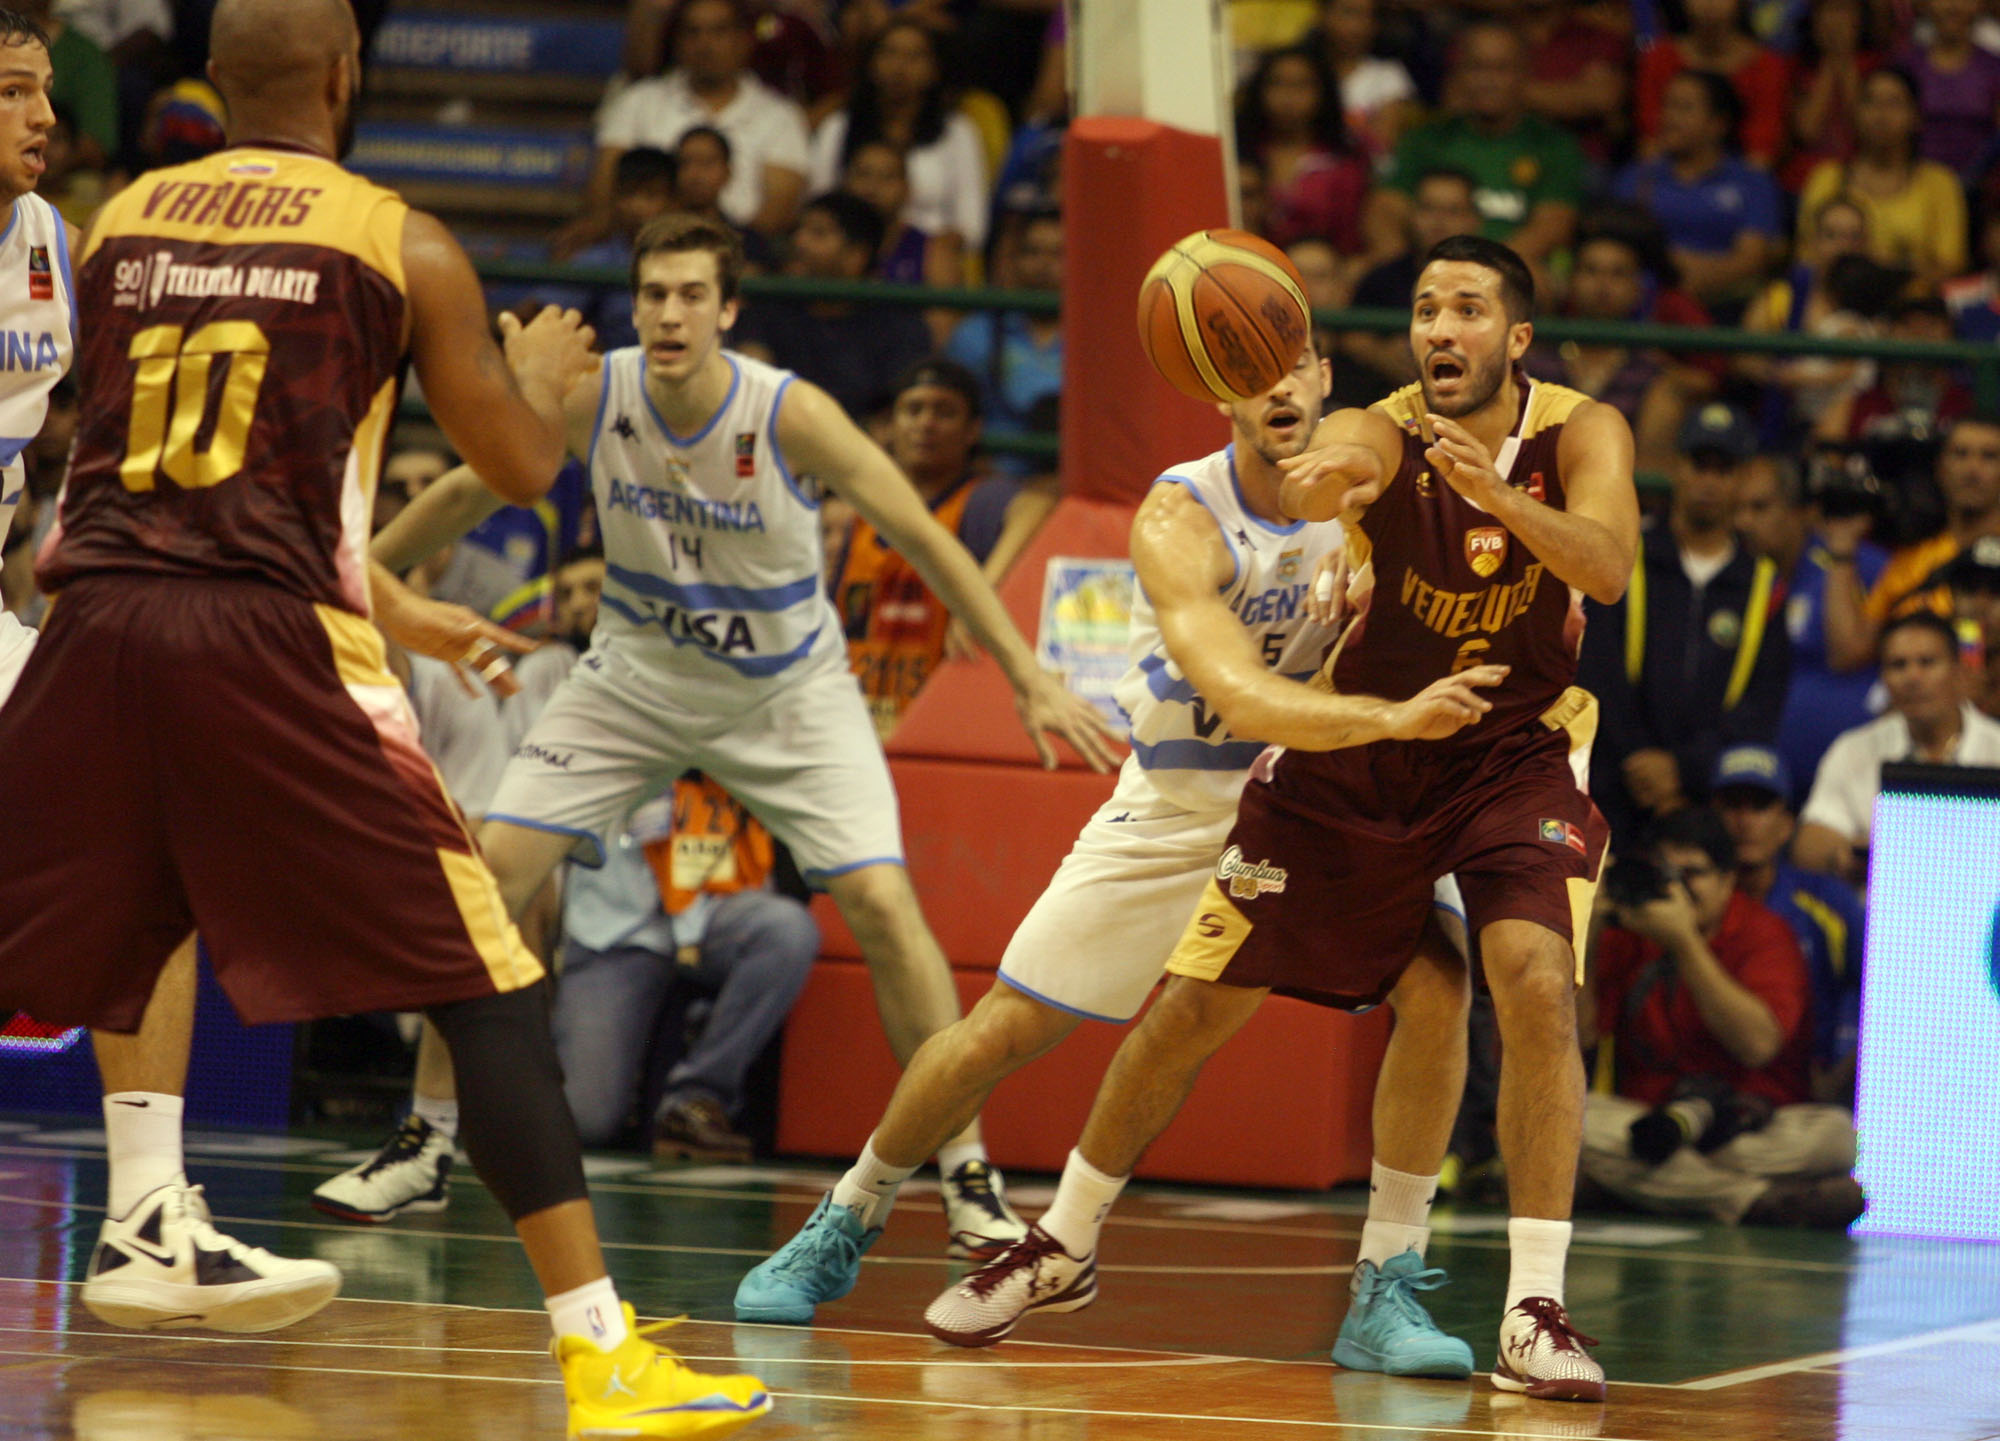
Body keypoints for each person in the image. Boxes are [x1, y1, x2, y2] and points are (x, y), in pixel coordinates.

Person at [0, 2, 773, 1434]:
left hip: (95, 614)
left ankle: (150, 1217)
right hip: (267, 629)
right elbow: (523, 466)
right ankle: (602, 1352)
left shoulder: (114, 223)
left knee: (117, 917)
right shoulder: (393, 237)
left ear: (213, 84)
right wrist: (539, 385)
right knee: (486, 980)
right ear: (350, 79)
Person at [910, 237, 1638, 1404]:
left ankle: (1527, 1305)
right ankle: (1067, 1239)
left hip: (1512, 752)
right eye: (1420, 310)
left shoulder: (1580, 431)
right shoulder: (1383, 428)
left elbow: (1603, 569)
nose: (1438, 329)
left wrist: (1494, 495)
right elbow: (1324, 473)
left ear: (1516, 338)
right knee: (1198, 1000)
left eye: (1465, 310)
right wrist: (1317, 484)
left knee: (1526, 981)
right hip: (1362, 747)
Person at [736, 339, 1503, 1389]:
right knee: (997, 1033)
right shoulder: (1178, 516)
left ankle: (1386, 1276)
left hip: (1317, 810)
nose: (1274, 389)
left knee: (1437, 983)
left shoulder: (1363, 484)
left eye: (1291, 366)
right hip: (1183, 803)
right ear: (1214, 390)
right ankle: (849, 1212)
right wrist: (1388, 712)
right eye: (1246, 368)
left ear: (1323, 377)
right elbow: (1237, 699)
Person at [369, 211, 1122, 1264]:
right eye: (653, 294)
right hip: (635, 673)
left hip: (786, 688)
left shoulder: (787, 414)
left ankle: (964, 1171)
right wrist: (353, 583)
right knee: (487, 871)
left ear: (726, 311)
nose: (669, 313)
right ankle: (424, 1139)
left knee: (884, 905)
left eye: (690, 295)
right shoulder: (601, 395)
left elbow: (917, 529)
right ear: (634, 307)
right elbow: (468, 488)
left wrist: (1027, 673)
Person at [1578, 807, 1865, 1228]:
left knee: (1839, 1138)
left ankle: (1645, 1187)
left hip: (1743, 1127)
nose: (1675, 888)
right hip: (1649, 1122)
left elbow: (1757, 1045)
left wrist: (1685, 944)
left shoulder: (1767, 934)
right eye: (1664, 872)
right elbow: (1580, 1035)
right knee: (1571, 1121)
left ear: (1728, 879)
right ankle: (1755, 1201)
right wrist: (1590, 932)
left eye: (1691, 874)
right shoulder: (1629, 929)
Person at [555, 772, 818, 1161]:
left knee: (785, 930)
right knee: (585, 1120)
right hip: (613, 928)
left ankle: (696, 1099)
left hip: (718, 909)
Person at [1575, 405, 1791, 845]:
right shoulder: (1624, 558)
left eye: (1724, 469)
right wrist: (1639, 759)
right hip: (1613, 783)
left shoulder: (1763, 587)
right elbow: (1598, 671)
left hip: (1708, 796)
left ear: (1742, 479)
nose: (1709, 481)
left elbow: (1761, 703)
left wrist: (1684, 768)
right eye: (1699, 465)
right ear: (1677, 468)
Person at [832, 357, 1050, 738]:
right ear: (888, 427)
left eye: (944, 412)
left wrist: (978, 599)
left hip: (937, 727)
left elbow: (1038, 505)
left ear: (972, 431)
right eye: (913, 410)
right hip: (851, 725)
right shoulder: (856, 512)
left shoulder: (979, 503)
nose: (926, 423)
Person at [560, 0, 809, 256]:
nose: (705, 44)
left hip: (738, 260)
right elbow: (604, 191)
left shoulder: (781, 115)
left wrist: (718, 256)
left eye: (719, 31)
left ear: (744, 40)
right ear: (676, 41)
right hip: (642, 252)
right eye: (692, 32)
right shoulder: (638, 101)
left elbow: (778, 213)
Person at [1795, 611, 2000, 886]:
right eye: (1898, 665)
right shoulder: (1853, 749)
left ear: (1958, 669)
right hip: (1878, 912)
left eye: (1927, 662)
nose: (1912, 677)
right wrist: (1841, 856)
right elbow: (1809, 841)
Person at [1710, 745, 1868, 1102]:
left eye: (1761, 806)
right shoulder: (1691, 899)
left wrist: (1838, 1082)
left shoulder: (1829, 903)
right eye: (1732, 805)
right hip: (1705, 1085)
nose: (1745, 821)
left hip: (1802, 1096)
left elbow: (1888, 997)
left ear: (1786, 825)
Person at [1365, 24, 1585, 274]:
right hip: (1425, 272)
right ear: (1459, 74)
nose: (1488, 80)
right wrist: (1410, 268)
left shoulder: (1553, 146)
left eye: (1501, 69)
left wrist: (1479, 274)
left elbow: (1551, 228)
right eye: (1477, 67)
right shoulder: (1425, 140)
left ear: (1525, 74)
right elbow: (1384, 212)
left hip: (1511, 274)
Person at [1732, 450, 1887, 795]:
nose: (1742, 522)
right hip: (1761, 785)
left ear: (1803, 512)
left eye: (1759, 508)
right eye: (1737, 509)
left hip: (1853, 781)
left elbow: (1848, 654)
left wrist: (1841, 555)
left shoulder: (1863, 567)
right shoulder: (1737, 581)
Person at [730, 190, 932, 421]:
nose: (799, 242)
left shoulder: (898, 324)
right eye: (799, 230)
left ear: (856, 255)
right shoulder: (768, 310)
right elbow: (753, 386)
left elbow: (902, 408)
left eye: (818, 233)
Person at [1613, 68, 1782, 312]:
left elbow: (1751, 259)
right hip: (1645, 305)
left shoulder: (1752, 182)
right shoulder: (1637, 177)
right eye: (1667, 106)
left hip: (1727, 306)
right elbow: (1619, 249)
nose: (1669, 117)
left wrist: (1685, 281)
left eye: (1684, 108)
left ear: (1718, 123)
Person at [1794, 66, 1968, 294]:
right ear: (1856, 113)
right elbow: (1806, 258)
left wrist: (1877, 271)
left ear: (1916, 117)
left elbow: (1950, 266)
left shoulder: (1940, 183)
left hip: (1911, 311)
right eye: (1870, 101)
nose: (1880, 114)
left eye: (1894, 103)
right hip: (1832, 305)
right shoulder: (1827, 177)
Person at [943, 209, 1063, 476]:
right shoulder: (973, 336)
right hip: (988, 481)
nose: (1044, 264)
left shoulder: (1101, 343)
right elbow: (950, 417)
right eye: (1032, 252)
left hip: (1078, 483)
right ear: (1013, 260)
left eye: (1058, 254)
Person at [1855, 413, 2000, 626]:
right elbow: (1851, 653)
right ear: (1940, 469)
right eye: (1960, 454)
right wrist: (1842, 547)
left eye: (1989, 456)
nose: (1972, 470)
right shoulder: (1910, 560)